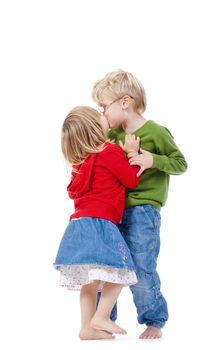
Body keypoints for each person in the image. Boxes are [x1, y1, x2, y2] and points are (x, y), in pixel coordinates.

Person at [92, 70, 188, 339]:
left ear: (125, 102)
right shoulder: (112, 136)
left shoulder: (156, 132)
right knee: (107, 265)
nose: (102, 112)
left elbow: (180, 163)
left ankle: (154, 320)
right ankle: (102, 319)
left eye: (104, 106)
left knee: (141, 267)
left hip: (143, 211)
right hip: (113, 211)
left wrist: (152, 160)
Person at [54, 106, 141, 340]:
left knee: (90, 282)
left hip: (78, 226)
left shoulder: (78, 164)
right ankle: (102, 316)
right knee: (122, 269)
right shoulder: (110, 151)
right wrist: (132, 152)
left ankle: (87, 328)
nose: (105, 116)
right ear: (95, 127)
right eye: (100, 115)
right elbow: (131, 179)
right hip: (101, 223)